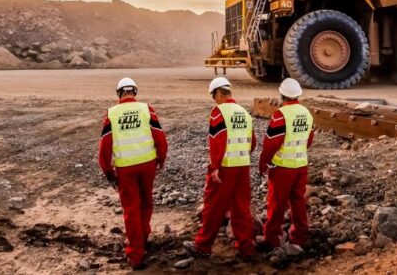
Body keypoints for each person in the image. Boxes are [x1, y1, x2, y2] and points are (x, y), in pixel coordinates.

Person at [98, 77, 168, 269]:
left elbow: (105, 146)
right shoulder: (147, 110)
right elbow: (160, 138)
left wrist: (107, 170)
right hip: (147, 165)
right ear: (134, 92)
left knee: (131, 209)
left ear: (119, 93)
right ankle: (143, 237)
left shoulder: (111, 114)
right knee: (146, 203)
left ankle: (136, 254)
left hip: (125, 169)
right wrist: (161, 159)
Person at [183, 77, 256, 260]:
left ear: (218, 93)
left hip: (225, 168)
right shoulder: (243, 112)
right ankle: (246, 247)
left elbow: (218, 141)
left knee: (213, 207)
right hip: (243, 165)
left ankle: (203, 245)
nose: (213, 99)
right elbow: (252, 142)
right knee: (241, 207)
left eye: (213, 95)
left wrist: (215, 167)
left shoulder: (218, 112)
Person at [258, 78, 315, 252]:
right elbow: (309, 140)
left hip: (282, 167)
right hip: (301, 165)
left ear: (282, 95)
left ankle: (272, 238)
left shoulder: (280, 115)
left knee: (277, 203)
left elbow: (272, 143)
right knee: (298, 202)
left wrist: (263, 161)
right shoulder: (306, 113)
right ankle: (299, 237)